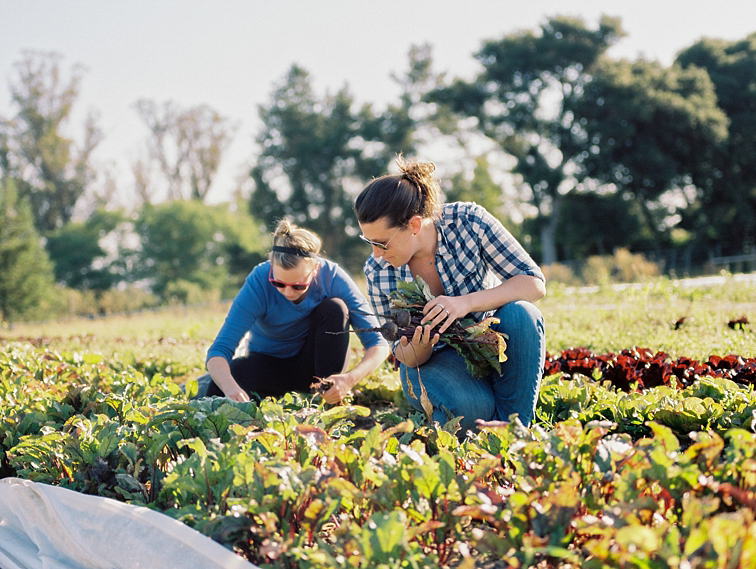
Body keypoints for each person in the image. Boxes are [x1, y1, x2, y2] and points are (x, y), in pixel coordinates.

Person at [354, 158, 546, 431]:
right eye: (368, 242)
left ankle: (514, 431)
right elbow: (404, 356)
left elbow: (533, 282)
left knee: (523, 314)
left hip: (490, 345)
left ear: (414, 225)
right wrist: (421, 345)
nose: (375, 253)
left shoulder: (468, 222)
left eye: (381, 243)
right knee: (473, 410)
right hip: (435, 363)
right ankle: (491, 420)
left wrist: (464, 304)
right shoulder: (377, 271)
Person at [204, 219, 389, 404]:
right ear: (271, 268)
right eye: (279, 284)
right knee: (219, 388)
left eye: (298, 286)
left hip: (314, 367)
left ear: (315, 269)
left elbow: (379, 343)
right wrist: (230, 388)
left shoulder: (332, 276)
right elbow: (219, 351)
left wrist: (349, 379)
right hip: (267, 365)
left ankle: (330, 401)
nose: (288, 292)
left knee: (335, 308)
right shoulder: (258, 280)